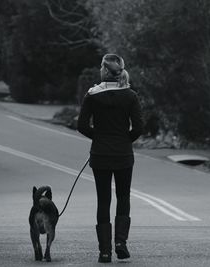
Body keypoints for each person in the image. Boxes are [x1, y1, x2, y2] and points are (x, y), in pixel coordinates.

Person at [77, 54, 143, 262]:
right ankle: (120, 243)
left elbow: (82, 126)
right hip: (123, 154)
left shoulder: (92, 95)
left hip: (101, 154)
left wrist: (99, 138)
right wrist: (125, 140)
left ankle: (104, 251)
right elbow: (139, 127)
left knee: (103, 200)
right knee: (123, 197)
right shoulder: (130, 95)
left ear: (105, 71)